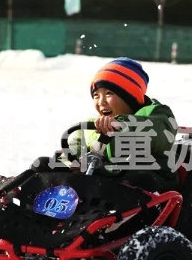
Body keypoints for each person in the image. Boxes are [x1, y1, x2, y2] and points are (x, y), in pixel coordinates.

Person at [66, 57, 179, 193]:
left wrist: (122, 124)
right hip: (103, 182)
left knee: (139, 178)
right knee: (45, 165)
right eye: (96, 95)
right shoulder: (91, 126)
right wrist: (72, 162)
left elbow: (160, 133)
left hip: (147, 178)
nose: (101, 102)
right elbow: (71, 149)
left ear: (130, 97)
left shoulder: (156, 114)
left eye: (109, 94)